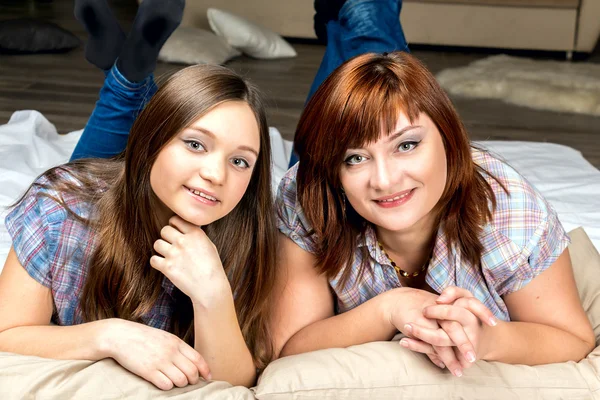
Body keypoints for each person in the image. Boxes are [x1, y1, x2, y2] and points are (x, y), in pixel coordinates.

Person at [272, 0, 595, 378]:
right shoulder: (308, 192)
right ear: (332, 170)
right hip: (317, 169)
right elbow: (288, 349)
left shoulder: (507, 208)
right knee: (365, 75)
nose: (386, 180)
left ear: (450, 138)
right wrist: (390, 308)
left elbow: (573, 338)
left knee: (374, 73)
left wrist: (487, 338)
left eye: (407, 145)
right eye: (354, 159)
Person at [0, 0, 277, 390]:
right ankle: (128, 74)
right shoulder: (60, 211)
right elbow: (6, 336)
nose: (216, 174)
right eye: (196, 144)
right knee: (88, 182)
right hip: (102, 196)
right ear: (147, 145)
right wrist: (109, 336)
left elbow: (236, 385)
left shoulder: (250, 230)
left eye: (241, 162)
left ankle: (127, 70)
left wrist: (212, 294)